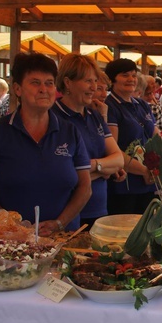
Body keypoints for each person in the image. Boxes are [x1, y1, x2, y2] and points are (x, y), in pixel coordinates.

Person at [0, 53, 91, 233]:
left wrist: (60, 223)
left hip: (63, 238)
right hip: (9, 242)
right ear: (17, 89)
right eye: (35, 82)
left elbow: (85, 188)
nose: (44, 89)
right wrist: (8, 225)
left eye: (49, 83)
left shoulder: (70, 132)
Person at [54, 54, 124, 228]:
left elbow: (118, 159)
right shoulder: (53, 117)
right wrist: (104, 169)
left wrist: (91, 166)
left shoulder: (94, 115)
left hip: (99, 210)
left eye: (95, 82)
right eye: (88, 81)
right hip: (67, 214)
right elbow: (63, 172)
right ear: (68, 83)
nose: (94, 88)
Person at [104, 58, 156, 215]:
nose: (131, 79)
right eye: (125, 75)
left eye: (134, 75)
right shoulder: (110, 107)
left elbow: (157, 137)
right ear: (112, 79)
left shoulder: (141, 105)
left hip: (148, 182)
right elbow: (112, 150)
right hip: (124, 186)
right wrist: (144, 171)